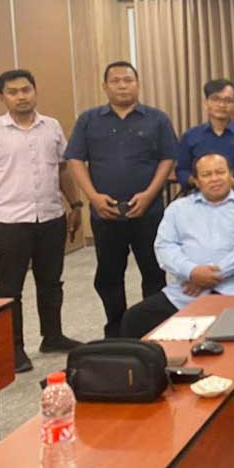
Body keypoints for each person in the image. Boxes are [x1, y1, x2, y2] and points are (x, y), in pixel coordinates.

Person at [0, 70, 84, 372]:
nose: (21, 96)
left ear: (35, 91)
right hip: (10, 220)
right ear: (2, 97)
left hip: (51, 216)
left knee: (51, 281)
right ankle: (13, 349)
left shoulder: (51, 126)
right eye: (13, 92)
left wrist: (75, 204)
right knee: (9, 287)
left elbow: (63, 169)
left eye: (26, 90)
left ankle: (52, 336)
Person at [65, 61, 176, 339]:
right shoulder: (88, 119)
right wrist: (93, 197)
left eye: (128, 80)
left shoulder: (157, 119)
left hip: (148, 211)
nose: (122, 85)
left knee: (154, 272)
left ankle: (153, 331)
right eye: (115, 81)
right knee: (109, 276)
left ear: (137, 84)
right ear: (105, 86)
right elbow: (75, 159)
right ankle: (116, 332)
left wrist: (149, 194)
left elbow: (167, 159)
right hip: (106, 212)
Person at [119, 152, 234, 339]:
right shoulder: (178, 208)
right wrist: (192, 272)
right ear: (196, 180)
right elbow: (164, 246)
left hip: (231, 290)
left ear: (231, 175)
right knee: (134, 319)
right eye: (206, 174)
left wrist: (210, 275)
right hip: (185, 292)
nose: (214, 179)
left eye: (220, 172)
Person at [175, 78, 234, 194]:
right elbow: (182, 171)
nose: (222, 105)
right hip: (199, 197)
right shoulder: (190, 136)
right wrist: (198, 182)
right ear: (206, 102)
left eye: (228, 100)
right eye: (216, 99)